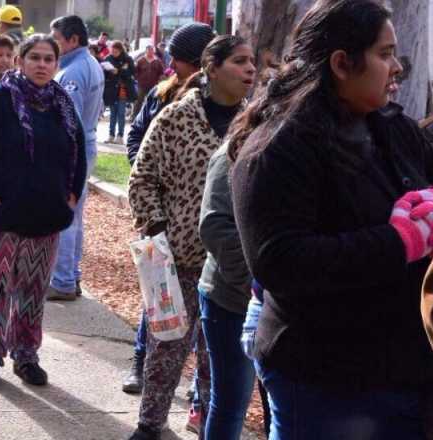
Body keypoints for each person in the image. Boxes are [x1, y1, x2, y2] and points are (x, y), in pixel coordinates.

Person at [230, 0, 433, 437]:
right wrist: (399, 240)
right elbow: (279, 261)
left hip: (406, 371)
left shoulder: (394, 128)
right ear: (342, 64)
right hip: (325, 381)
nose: (396, 69)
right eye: (384, 55)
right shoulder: (276, 150)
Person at [126, 34, 256, 440]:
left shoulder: (257, 124)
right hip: (177, 259)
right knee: (165, 348)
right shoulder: (175, 118)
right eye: (239, 61)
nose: (250, 69)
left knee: (216, 359)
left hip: (231, 267)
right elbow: (142, 178)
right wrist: (159, 229)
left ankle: (206, 421)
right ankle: (150, 423)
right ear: (211, 68)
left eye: (252, 62)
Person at [0, 34, 87, 388]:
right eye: (35, 57)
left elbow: (79, 153)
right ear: (20, 60)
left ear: (56, 64)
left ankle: (26, 355)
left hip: (44, 217)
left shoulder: (63, 105)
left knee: (32, 294)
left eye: (49, 59)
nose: (42, 64)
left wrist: (71, 197)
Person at [121, 22, 215, 397]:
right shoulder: (162, 97)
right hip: (161, 223)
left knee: (205, 320)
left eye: (178, 60)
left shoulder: (226, 105)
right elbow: (136, 136)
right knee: (158, 303)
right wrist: (142, 171)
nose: (171, 67)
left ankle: (198, 389)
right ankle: (141, 363)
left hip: (206, 231)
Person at [46, 15, 105, 301]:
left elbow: (69, 122)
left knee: (65, 217)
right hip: (86, 145)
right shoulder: (90, 63)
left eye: (56, 38)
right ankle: (72, 276)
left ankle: (63, 280)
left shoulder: (71, 73)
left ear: (73, 40)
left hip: (73, 150)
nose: (52, 44)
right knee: (75, 217)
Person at [101, 40, 136, 144]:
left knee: (121, 113)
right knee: (112, 113)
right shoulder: (108, 58)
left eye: (116, 50)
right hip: (111, 90)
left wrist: (119, 71)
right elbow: (104, 74)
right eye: (112, 50)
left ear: (121, 50)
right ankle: (111, 135)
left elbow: (132, 72)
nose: (114, 52)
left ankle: (120, 136)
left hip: (123, 89)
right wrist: (111, 72)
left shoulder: (127, 59)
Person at [133, 45, 165, 121]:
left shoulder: (157, 61)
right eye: (148, 50)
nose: (150, 52)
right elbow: (135, 71)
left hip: (153, 85)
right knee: (138, 101)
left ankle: (150, 117)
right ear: (146, 51)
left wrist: (161, 80)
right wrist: (138, 78)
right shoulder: (140, 60)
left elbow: (161, 72)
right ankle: (134, 116)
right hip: (142, 85)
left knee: (152, 101)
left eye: (151, 50)